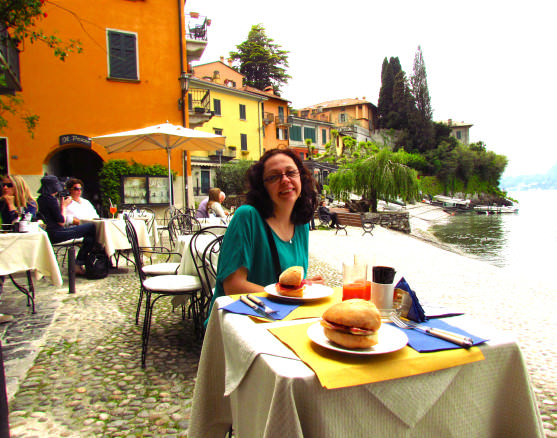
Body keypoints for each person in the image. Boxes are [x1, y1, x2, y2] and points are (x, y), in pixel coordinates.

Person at [208, 148, 324, 320]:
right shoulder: (247, 217)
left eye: (291, 172)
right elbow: (233, 286)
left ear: (301, 177)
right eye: (274, 177)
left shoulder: (301, 225)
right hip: (241, 322)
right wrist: (294, 294)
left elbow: (289, 283)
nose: (285, 180)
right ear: (263, 187)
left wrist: (303, 286)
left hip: (281, 317)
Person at [37, 175, 96, 276]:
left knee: (90, 238)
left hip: (51, 232)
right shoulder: (51, 200)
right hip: (57, 233)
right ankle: (79, 262)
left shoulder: (41, 199)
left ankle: (80, 262)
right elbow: (61, 221)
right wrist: (63, 206)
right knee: (92, 227)